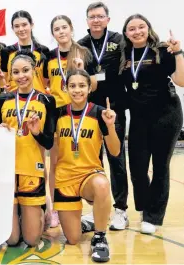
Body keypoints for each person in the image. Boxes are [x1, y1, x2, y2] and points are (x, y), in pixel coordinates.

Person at [120, 14, 184, 234]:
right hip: (138, 118)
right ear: (126, 33)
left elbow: (181, 80)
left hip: (166, 114)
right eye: (131, 29)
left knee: (160, 167)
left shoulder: (162, 49)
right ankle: (146, 207)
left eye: (141, 27)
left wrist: (178, 52)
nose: (137, 31)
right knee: (137, 168)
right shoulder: (124, 55)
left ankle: (153, 217)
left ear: (148, 28)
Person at [0, 51, 56, 247]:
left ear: (34, 71)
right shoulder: (3, 99)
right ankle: (18, 213)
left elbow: (49, 143)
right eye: (16, 72)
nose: (21, 76)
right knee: (11, 240)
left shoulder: (46, 101)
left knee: (32, 240)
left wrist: (36, 132)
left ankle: (40, 209)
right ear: (11, 75)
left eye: (25, 70)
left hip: (31, 169)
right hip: (6, 170)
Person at [54, 68, 119, 263]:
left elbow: (115, 151)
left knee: (102, 185)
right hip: (64, 178)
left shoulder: (99, 113)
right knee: (73, 239)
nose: (77, 90)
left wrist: (110, 126)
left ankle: (99, 237)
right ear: (66, 88)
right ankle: (87, 221)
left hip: (89, 175)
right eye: (72, 86)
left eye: (82, 85)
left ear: (89, 88)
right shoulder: (57, 114)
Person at [77, 1, 129, 231]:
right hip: (90, 112)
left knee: (116, 158)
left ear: (107, 19)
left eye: (100, 16)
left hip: (113, 109)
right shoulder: (81, 45)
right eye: (92, 17)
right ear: (87, 21)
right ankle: (96, 208)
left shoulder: (120, 41)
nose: (96, 20)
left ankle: (121, 210)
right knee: (93, 161)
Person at [43, 15, 96, 228]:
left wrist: (82, 68)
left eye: (64, 27)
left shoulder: (84, 52)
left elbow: (94, 84)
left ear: (71, 28)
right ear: (53, 33)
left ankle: (91, 207)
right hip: (58, 114)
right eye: (57, 29)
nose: (61, 32)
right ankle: (56, 207)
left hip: (81, 114)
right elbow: (46, 82)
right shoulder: (49, 56)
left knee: (84, 161)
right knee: (56, 162)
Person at [0, 10, 49, 93]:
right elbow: (4, 82)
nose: (21, 29)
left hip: (38, 100)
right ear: (12, 28)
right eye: (17, 26)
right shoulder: (6, 52)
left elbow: (47, 81)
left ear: (31, 25)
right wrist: (2, 83)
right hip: (14, 100)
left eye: (24, 25)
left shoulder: (43, 51)